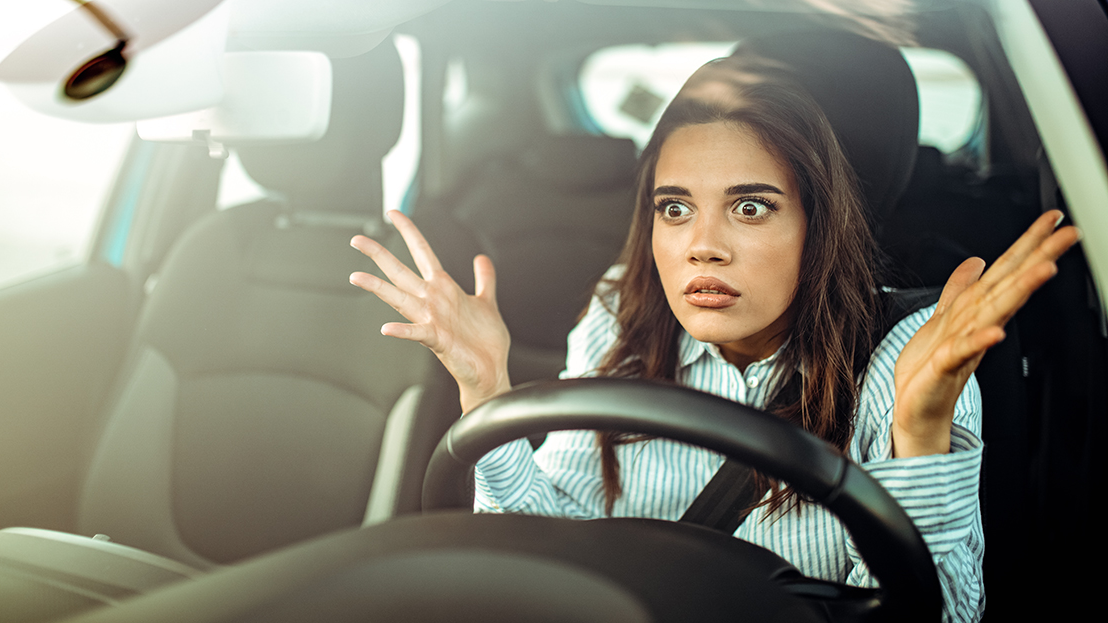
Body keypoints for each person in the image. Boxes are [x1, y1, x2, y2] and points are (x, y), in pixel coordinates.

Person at [347, 55, 1079, 623]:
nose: (702, 246)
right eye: (675, 209)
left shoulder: (912, 349)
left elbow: (943, 614)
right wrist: (486, 391)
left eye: (750, 207)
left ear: (816, 227)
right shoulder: (620, 313)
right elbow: (542, 555)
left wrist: (920, 428)